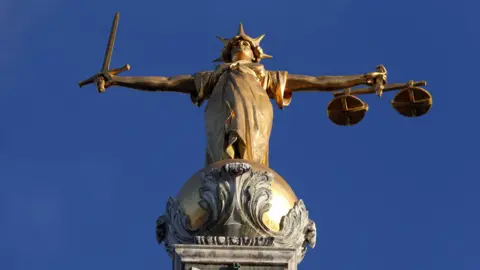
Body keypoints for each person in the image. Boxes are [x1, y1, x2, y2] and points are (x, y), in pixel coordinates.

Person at [90, 24, 386, 167]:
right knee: (221, 160)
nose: (239, 44)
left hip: (256, 112)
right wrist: (120, 81)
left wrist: (361, 78)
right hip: (219, 114)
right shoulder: (214, 77)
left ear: (256, 53)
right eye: (235, 43)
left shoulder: (265, 76)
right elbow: (166, 82)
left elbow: (316, 81)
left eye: (244, 43)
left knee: (252, 160)